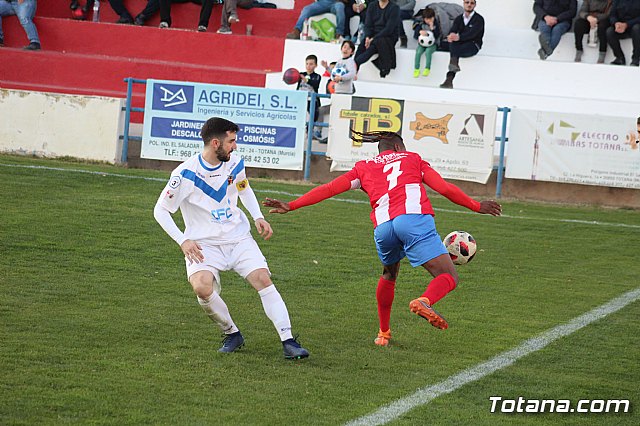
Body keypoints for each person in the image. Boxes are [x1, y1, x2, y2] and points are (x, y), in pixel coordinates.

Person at [263, 130, 502, 347]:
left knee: (389, 273)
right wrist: (475, 205)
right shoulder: (413, 159)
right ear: (399, 148)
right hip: (412, 220)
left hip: (384, 228)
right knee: (448, 276)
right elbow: (444, 188)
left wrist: (292, 205)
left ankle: (383, 334)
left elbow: (329, 189)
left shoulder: (363, 167)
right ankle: (425, 300)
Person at [153, 117, 309, 360]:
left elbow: (243, 187)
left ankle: (289, 341)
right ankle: (232, 333)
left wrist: (257, 216)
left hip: (238, 239)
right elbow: (160, 210)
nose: (235, 146)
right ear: (216, 143)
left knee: (262, 279)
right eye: (232, 141)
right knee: (202, 288)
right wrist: (183, 240)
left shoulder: (234, 162)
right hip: (203, 244)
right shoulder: (184, 174)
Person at [439, 0, 484, 89]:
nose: (469, 5)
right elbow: (453, 29)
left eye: (471, 3)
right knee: (450, 43)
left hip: (472, 45)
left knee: (454, 47)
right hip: (460, 44)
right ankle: (451, 74)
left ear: (475, 5)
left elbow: (472, 34)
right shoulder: (459, 18)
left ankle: (450, 73)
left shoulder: (479, 19)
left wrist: (458, 37)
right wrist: (451, 35)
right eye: (467, 2)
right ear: (463, 3)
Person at [354, 0, 400, 78]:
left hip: (388, 37)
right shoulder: (372, 6)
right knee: (362, 46)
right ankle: (354, 69)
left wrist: (373, 39)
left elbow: (389, 29)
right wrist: (368, 37)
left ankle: (355, 64)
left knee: (372, 48)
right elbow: (368, 25)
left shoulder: (394, 8)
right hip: (373, 35)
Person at [296, 54, 323, 138]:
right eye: (307, 64)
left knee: (313, 116)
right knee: (298, 116)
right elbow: (295, 82)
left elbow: (315, 84)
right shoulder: (300, 74)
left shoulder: (317, 76)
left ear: (315, 65)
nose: (308, 66)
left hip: (311, 100)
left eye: (311, 64)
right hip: (301, 98)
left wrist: (306, 80)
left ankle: (309, 131)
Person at [606, 0, 640, 66]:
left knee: (636, 29)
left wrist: (627, 24)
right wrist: (616, 23)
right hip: (621, 27)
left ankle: (636, 59)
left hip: (634, 25)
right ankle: (619, 58)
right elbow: (612, 15)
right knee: (609, 32)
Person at [413, 7, 439, 77]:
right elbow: (415, 35)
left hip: (432, 45)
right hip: (422, 44)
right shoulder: (421, 24)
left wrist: (432, 29)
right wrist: (419, 32)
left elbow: (437, 35)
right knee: (418, 52)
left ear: (433, 17)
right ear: (424, 19)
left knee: (428, 52)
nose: (429, 21)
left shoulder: (436, 24)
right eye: (427, 19)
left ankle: (427, 68)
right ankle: (416, 69)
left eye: (431, 18)